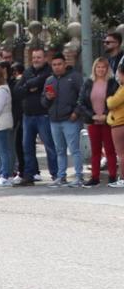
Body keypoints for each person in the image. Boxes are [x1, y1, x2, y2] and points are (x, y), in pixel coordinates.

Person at [43, 51, 86, 187]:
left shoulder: (74, 77)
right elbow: (43, 101)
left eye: (59, 64)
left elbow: (83, 96)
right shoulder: (50, 80)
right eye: (54, 65)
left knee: (74, 149)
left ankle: (79, 176)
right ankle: (61, 176)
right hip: (54, 120)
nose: (57, 67)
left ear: (65, 64)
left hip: (70, 119)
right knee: (59, 150)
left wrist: (76, 112)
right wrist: (47, 99)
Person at [18, 48, 56, 185]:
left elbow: (42, 83)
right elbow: (18, 90)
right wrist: (30, 87)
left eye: (39, 57)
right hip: (27, 115)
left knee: (49, 146)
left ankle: (55, 174)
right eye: (34, 57)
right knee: (27, 146)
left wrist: (28, 85)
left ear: (45, 58)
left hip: (43, 115)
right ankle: (30, 174)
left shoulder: (48, 72)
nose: (36, 60)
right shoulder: (27, 72)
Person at [79, 56, 118, 186]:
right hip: (93, 122)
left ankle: (113, 177)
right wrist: (93, 116)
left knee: (110, 150)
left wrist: (105, 115)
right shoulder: (88, 83)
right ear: (94, 68)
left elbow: (116, 101)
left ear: (107, 69)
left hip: (108, 121)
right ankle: (94, 177)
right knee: (95, 151)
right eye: (98, 67)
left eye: (103, 67)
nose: (100, 69)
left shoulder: (113, 83)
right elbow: (81, 102)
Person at [108, 65, 124, 188]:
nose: (117, 76)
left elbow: (112, 102)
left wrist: (109, 99)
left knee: (121, 154)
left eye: (118, 73)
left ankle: (123, 178)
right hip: (118, 122)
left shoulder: (122, 89)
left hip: (120, 124)